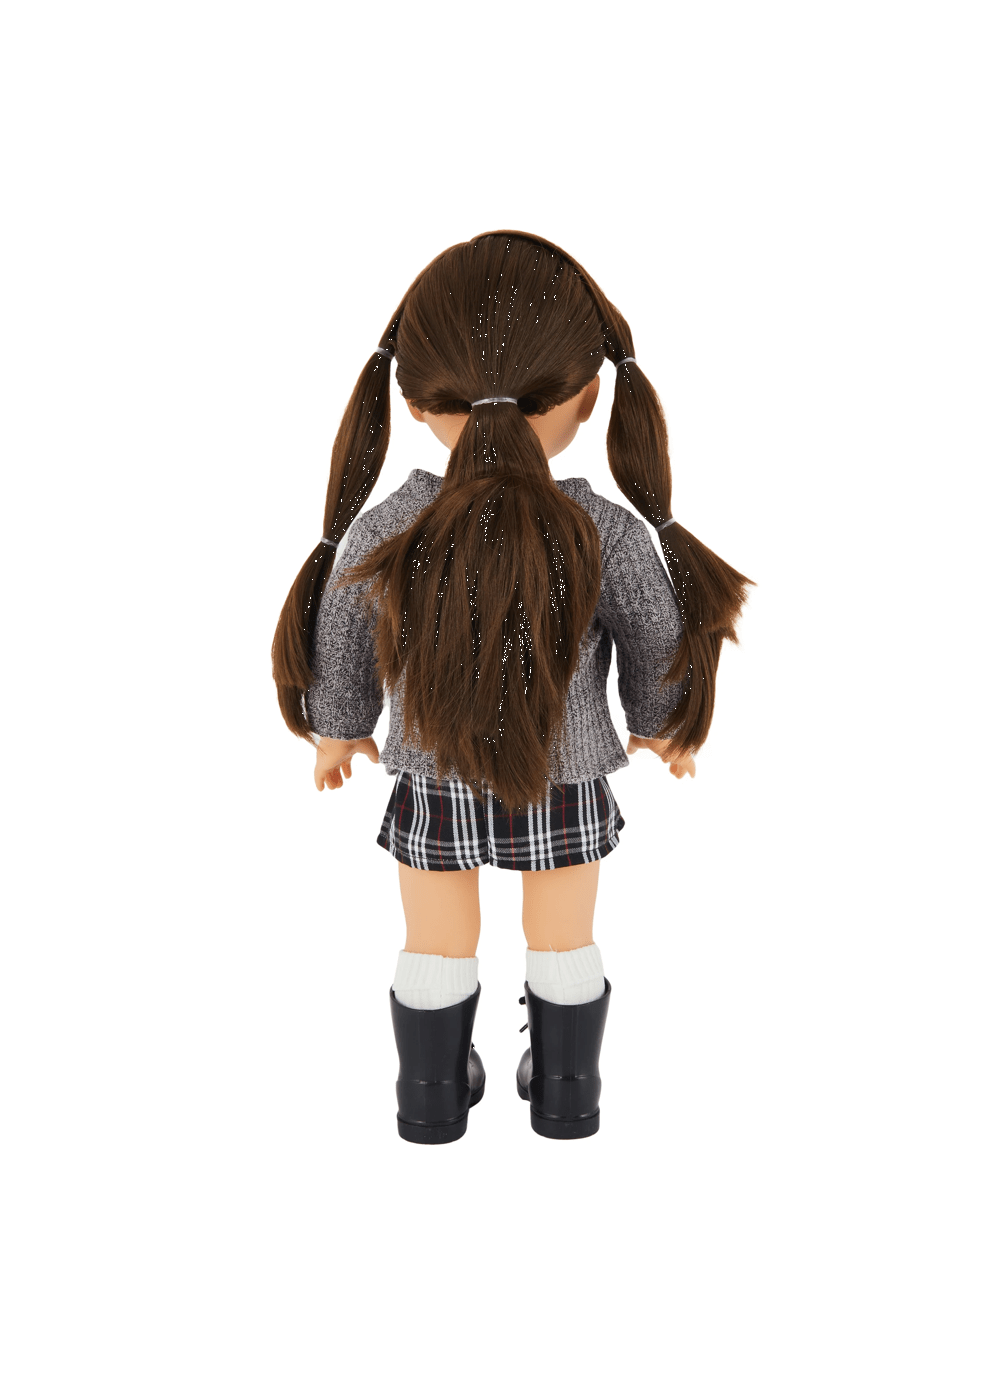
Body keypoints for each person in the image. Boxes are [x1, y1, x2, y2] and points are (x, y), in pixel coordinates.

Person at [272, 231, 750, 1144]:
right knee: (563, 937)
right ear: (589, 397)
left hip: (434, 777)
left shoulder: (389, 525)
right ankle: (569, 1087)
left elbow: (340, 629)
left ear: (415, 402)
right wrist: (662, 723)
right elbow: (657, 635)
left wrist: (337, 725)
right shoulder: (603, 528)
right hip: (563, 780)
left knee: (436, 940)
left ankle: (430, 1092)